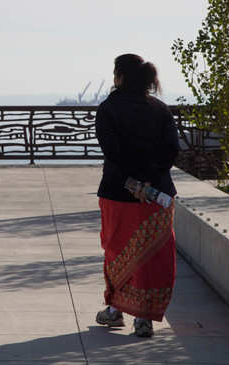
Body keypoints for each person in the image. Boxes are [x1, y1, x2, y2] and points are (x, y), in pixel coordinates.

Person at [94, 53, 180, 337]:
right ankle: (144, 319)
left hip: (119, 192)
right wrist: (150, 181)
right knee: (152, 256)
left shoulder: (109, 108)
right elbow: (171, 151)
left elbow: (113, 151)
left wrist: (133, 182)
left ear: (119, 76)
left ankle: (115, 311)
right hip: (159, 195)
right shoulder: (161, 109)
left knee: (117, 251)